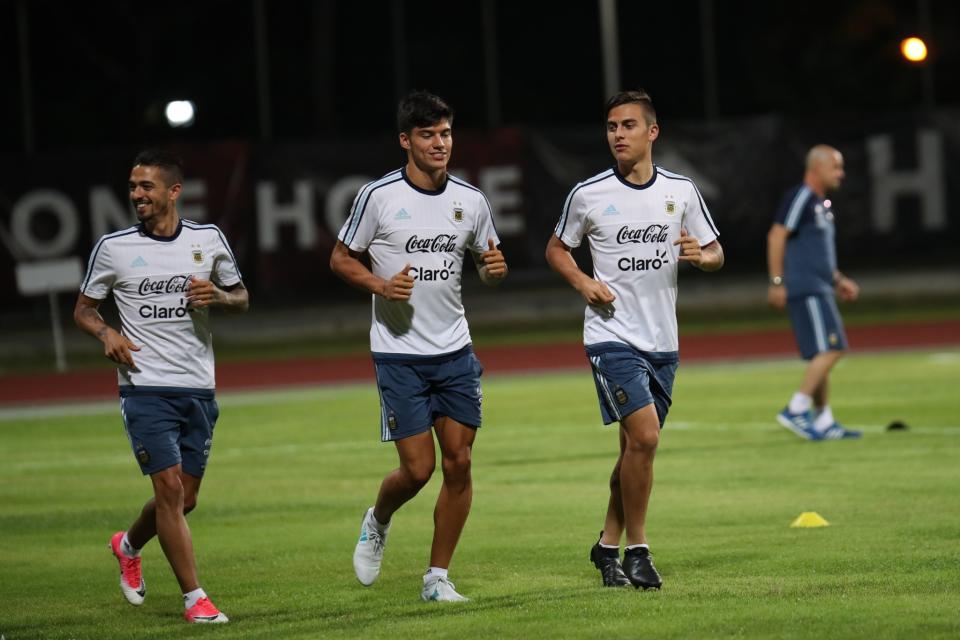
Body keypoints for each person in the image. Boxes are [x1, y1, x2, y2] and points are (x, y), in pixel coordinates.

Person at [330, 90, 508, 602]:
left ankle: (437, 579)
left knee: (459, 463)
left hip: (454, 350)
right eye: (428, 134)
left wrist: (494, 271)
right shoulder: (379, 197)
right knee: (418, 469)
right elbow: (341, 258)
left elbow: (488, 263)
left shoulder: (471, 201)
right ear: (406, 140)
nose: (439, 143)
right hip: (398, 352)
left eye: (446, 133)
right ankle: (378, 518)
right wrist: (380, 286)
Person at [545, 89, 723, 590]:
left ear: (652, 132)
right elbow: (557, 248)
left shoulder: (681, 191)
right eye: (611, 127)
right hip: (611, 335)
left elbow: (715, 252)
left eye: (627, 125)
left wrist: (702, 257)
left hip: (662, 341)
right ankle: (639, 551)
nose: (617, 135)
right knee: (645, 437)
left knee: (633, 452)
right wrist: (583, 282)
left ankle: (605, 549)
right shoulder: (589, 193)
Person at [74, 149, 248, 623]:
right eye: (132, 187)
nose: (136, 195)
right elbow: (84, 309)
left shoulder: (208, 239)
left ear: (174, 191)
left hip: (198, 386)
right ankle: (196, 599)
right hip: (144, 386)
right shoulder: (113, 248)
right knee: (169, 489)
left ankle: (128, 544)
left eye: (146, 186)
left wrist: (220, 296)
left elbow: (242, 297)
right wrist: (107, 333)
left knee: (185, 499)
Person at [767, 145, 861, 441]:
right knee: (833, 348)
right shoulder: (802, 197)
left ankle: (823, 420)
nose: (840, 173)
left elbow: (816, 253)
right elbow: (776, 235)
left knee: (820, 353)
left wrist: (837, 278)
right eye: (836, 167)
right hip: (806, 288)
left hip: (820, 286)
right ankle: (796, 408)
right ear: (817, 168)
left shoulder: (821, 203)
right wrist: (777, 281)